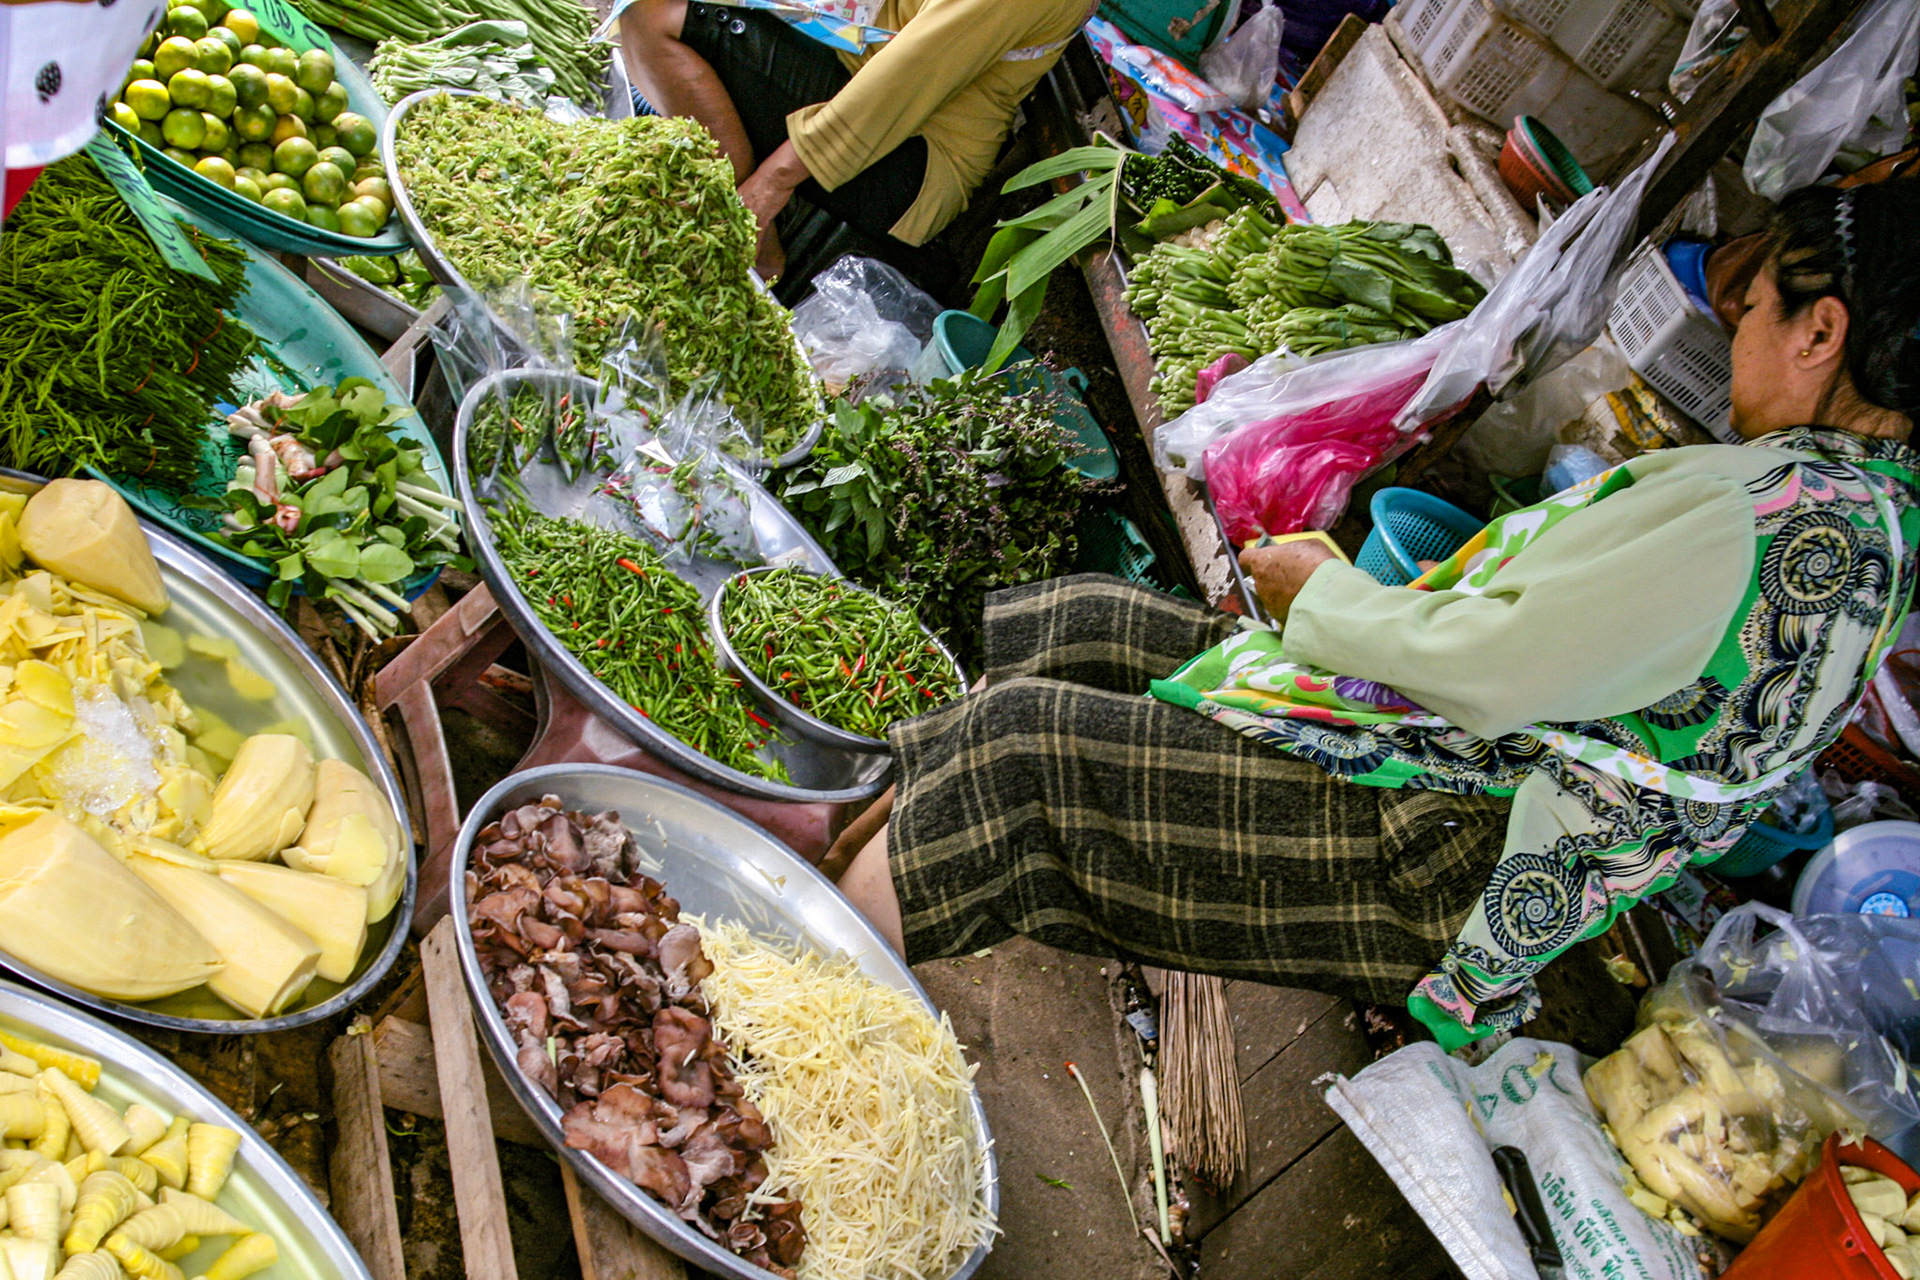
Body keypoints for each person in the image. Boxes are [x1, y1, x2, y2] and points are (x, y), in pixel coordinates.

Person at [835, 179, 1920, 1046]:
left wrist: (1327, 593)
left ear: (1820, 331)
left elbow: (1492, 665)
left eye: (1751, 306)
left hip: (1445, 847)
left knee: (1020, 753)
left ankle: (784, 1000)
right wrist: (1343, 614)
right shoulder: (1881, 523)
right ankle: (838, 849)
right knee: (1084, 623)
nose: (1731, 331)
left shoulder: (1763, 523)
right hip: (1437, 750)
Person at [616, 0, 1094, 279]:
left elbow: (905, 81)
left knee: (650, 14)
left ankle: (751, 238)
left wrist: (770, 185)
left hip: (913, 157)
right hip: (859, 59)